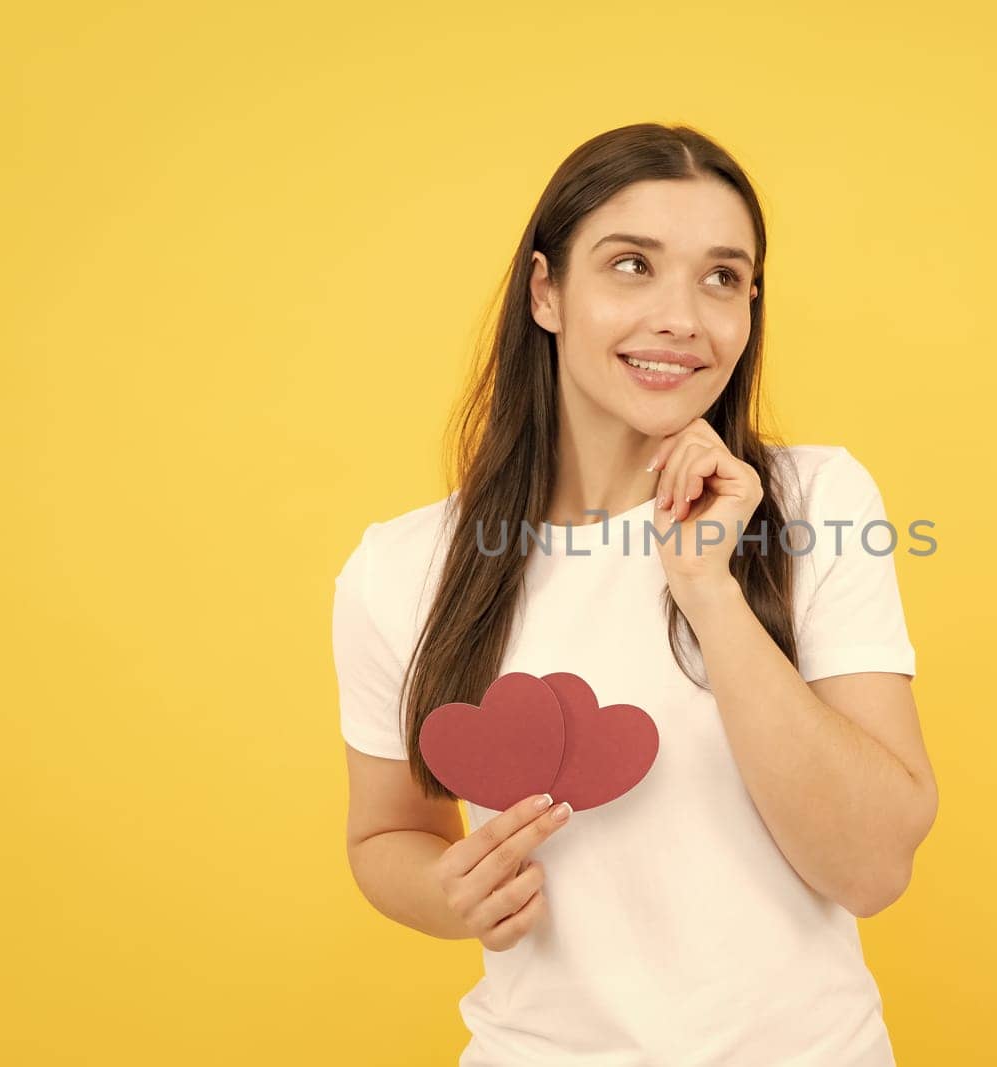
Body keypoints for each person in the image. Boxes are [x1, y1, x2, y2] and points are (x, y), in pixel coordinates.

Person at [333, 122, 938, 1066]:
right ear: (546, 292)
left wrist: (705, 585)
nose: (682, 317)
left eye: (722, 277)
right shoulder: (402, 567)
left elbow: (870, 867)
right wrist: (450, 893)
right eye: (630, 265)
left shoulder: (817, 504)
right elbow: (386, 834)